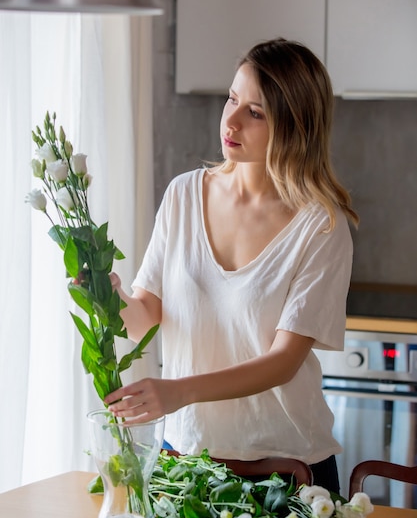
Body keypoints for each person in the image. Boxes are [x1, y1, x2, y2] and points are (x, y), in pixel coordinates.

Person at [105, 37, 359, 493]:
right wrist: (105, 295)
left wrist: (177, 392)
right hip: (185, 458)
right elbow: (146, 312)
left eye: (255, 113)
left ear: (295, 126)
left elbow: (282, 362)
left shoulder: (321, 226)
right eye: (232, 98)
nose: (231, 120)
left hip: (287, 469)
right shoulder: (183, 195)